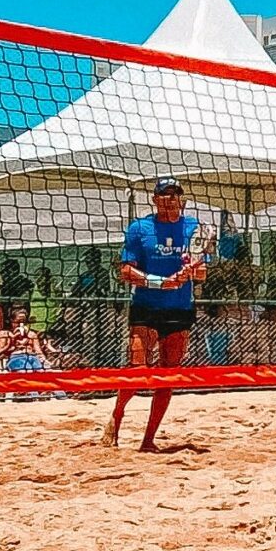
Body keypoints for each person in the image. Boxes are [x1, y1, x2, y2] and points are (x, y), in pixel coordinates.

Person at [104, 177, 209, 452]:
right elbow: (126, 272)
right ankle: (117, 416)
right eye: (164, 194)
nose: (169, 199)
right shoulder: (140, 228)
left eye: (174, 194)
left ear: (181, 200)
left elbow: (202, 273)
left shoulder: (193, 227)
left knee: (167, 376)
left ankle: (148, 439)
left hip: (179, 309)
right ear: (155, 199)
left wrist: (190, 273)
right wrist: (161, 281)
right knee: (138, 371)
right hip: (146, 307)